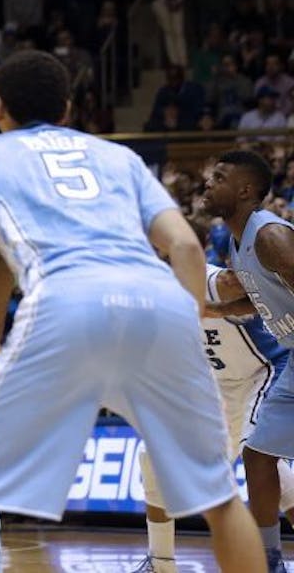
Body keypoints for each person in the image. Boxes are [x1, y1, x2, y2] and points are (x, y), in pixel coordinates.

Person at [0, 52, 261, 572]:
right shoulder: (119, 157)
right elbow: (186, 247)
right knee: (220, 498)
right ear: (67, 108)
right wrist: (190, 328)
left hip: (65, 298)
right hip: (158, 301)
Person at [130, 226, 294, 573]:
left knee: (260, 460)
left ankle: (268, 560)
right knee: (152, 453)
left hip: (261, 374)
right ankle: (160, 563)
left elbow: (247, 282)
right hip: (215, 386)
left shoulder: (213, 280)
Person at [200, 150, 294, 571]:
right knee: (257, 456)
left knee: (259, 456)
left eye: (218, 176)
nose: (207, 181)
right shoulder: (240, 247)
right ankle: (270, 559)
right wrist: (219, 311)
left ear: (244, 190)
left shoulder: (269, 236)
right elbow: (263, 299)